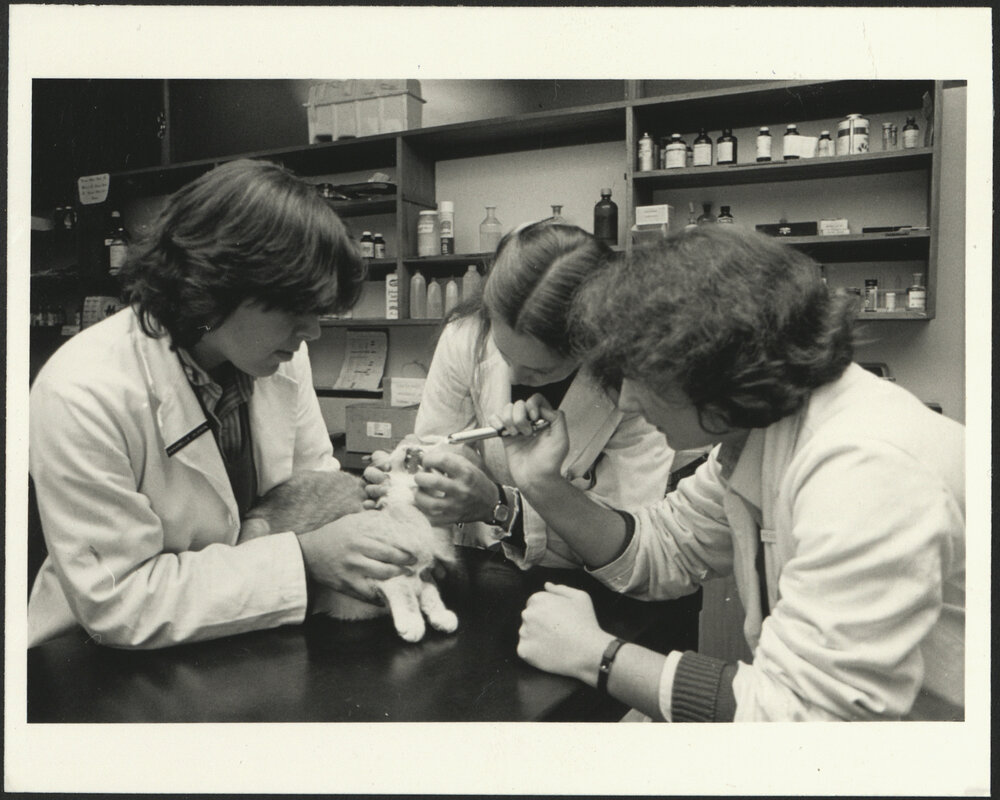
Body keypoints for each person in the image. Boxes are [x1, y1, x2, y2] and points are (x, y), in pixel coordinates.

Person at [498, 225, 965, 721]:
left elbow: (802, 720)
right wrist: (543, 484)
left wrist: (599, 656)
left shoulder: (865, 470)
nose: (629, 399)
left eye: (642, 376)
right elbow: (664, 548)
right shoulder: (760, 437)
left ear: (719, 370)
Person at [28, 159, 419, 649]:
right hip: (97, 661)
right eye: (297, 310)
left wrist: (364, 504)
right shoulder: (83, 390)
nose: (313, 333)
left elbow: (312, 486)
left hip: (253, 632)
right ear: (216, 284)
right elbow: (118, 599)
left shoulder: (275, 360)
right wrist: (303, 558)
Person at [383, 220, 676, 570]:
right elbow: (438, 445)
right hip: (482, 563)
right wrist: (412, 479)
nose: (516, 377)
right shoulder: (466, 336)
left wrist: (499, 504)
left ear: (592, 347)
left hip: (589, 583)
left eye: (540, 372)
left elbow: (626, 544)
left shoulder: (636, 388)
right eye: (504, 356)